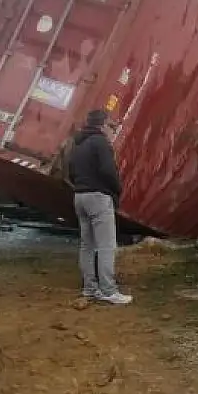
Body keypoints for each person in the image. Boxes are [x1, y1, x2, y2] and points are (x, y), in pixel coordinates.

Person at [68, 110, 132, 305]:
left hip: (79, 196)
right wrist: (117, 189)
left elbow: (70, 170)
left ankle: (89, 288)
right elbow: (108, 170)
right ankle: (108, 290)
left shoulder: (78, 143)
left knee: (87, 245)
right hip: (98, 197)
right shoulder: (100, 142)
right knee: (106, 246)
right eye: (111, 126)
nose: (112, 130)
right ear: (102, 124)